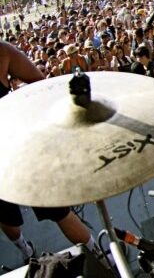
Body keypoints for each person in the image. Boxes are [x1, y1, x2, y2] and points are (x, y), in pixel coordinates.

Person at [0, 41, 103, 264]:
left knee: (56, 209)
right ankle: (27, 249)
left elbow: (39, 83)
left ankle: (96, 254)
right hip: (13, 146)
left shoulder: (2, 52)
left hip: (16, 145)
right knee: (11, 219)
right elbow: (39, 83)